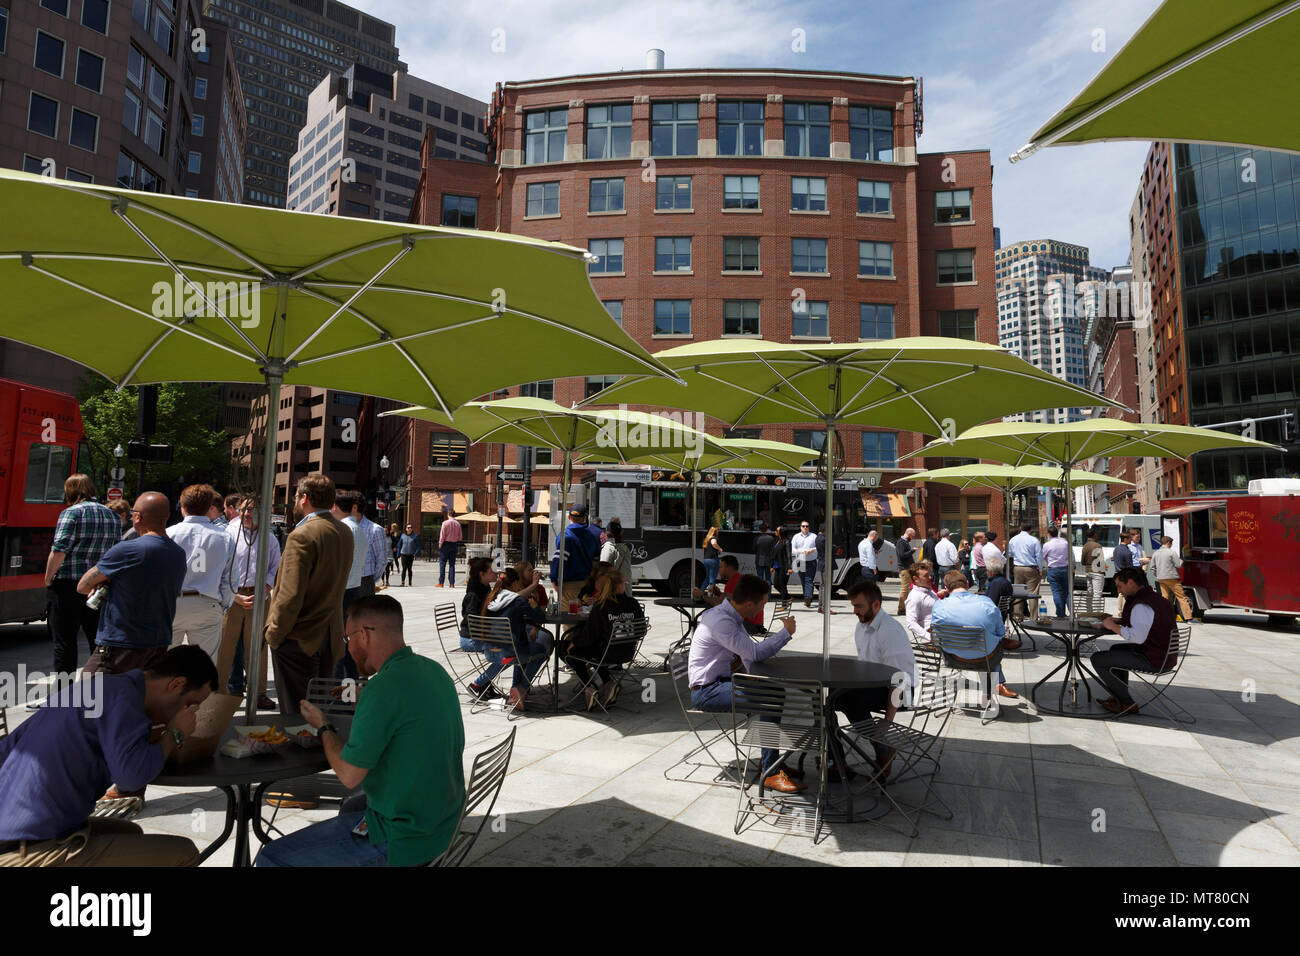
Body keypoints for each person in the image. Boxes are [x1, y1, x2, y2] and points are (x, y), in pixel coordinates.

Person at [258, 596, 465, 867]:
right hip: (444, 825)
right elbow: (405, 714)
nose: (349, 648)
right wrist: (365, 700)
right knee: (352, 807)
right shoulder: (433, 670)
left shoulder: (382, 689)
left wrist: (323, 726)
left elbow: (349, 775)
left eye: (348, 639)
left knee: (271, 857)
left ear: (364, 635)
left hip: (405, 840)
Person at [0, 645, 216, 867]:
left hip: (16, 830)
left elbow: (7, 747)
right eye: (191, 705)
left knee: (130, 833)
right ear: (176, 684)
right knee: (183, 852)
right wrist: (174, 734)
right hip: (28, 848)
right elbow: (131, 778)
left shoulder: (99, 687)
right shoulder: (126, 701)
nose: (190, 714)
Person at [686, 574, 802, 793]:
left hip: (720, 681)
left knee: (775, 691)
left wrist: (752, 675)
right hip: (706, 691)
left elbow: (746, 655)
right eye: (762, 605)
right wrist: (786, 633)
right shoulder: (722, 622)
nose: (761, 612)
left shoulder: (730, 617)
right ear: (749, 604)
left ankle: (771, 761)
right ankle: (770, 771)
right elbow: (755, 653)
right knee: (769, 698)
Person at [264, 474, 352, 719]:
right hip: (329, 636)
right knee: (317, 714)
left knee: (296, 717)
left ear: (304, 498)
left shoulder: (302, 535)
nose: (294, 501)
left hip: (299, 638)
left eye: (295, 496)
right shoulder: (343, 531)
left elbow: (289, 595)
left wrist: (274, 633)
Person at [79, 492, 188, 679]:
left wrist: (105, 582)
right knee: (136, 700)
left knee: (88, 697)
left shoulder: (128, 549)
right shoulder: (178, 553)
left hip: (121, 643)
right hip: (158, 642)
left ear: (138, 516)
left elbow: (83, 585)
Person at [834, 579, 917, 779]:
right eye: (853, 605)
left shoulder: (889, 631)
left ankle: (881, 749)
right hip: (875, 684)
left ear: (876, 605)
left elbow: (899, 680)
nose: (855, 611)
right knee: (829, 697)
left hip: (903, 691)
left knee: (847, 700)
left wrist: (886, 723)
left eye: (859, 606)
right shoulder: (861, 625)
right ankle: (835, 760)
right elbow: (865, 665)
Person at [44, 474, 121, 678]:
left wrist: (48, 576)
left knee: (64, 642)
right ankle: (100, 688)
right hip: (97, 587)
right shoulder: (111, 515)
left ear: (70, 491)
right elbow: (115, 552)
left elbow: (59, 549)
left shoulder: (71, 513)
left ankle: (63, 696)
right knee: (97, 641)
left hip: (67, 584)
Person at [217, 496, 278, 709]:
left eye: (252, 511)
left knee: (258, 647)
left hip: (259, 597)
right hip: (232, 597)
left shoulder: (270, 539)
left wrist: (264, 591)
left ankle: (258, 692)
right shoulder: (228, 535)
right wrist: (234, 595)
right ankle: (218, 690)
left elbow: (274, 569)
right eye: (244, 510)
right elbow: (221, 569)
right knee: (225, 645)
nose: (247, 515)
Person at [1094, 567, 1177, 717]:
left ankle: (1126, 702)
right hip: (1165, 655)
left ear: (1131, 583)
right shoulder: (1158, 600)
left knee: (1098, 659)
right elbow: (1146, 624)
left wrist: (1112, 626)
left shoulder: (1141, 604)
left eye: (1120, 586)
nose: (1119, 591)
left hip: (1154, 659)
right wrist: (1118, 621)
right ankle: (1119, 697)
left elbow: (1137, 637)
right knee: (1116, 650)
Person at [167, 484, 236, 661]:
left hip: (172, 602)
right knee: (204, 666)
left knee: (163, 664)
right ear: (209, 508)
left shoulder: (169, 534)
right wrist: (223, 605)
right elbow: (231, 579)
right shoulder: (224, 537)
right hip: (207, 602)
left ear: (182, 508)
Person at [562, 570, 644, 709]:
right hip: (627, 651)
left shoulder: (601, 606)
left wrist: (574, 642)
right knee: (587, 649)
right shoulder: (633, 603)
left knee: (565, 648)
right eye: (624, 582)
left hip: (605, 653)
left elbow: (589, 637)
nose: (625, 585)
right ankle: (607, 683)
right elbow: (641, 630)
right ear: (618, 586)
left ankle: (590, 688)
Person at [931, 570, 1018, 700]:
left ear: (946, 588)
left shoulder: (939, 606)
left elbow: (937, 635)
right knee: (995, 644)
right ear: (967, 584)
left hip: (953, 659)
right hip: (986, 659)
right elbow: (1000, 632)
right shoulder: (986, 603)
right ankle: (995, 685)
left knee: (988, 643)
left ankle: (995, 685)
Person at [484, 566, 550, 712]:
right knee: (541, 650)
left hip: (489, 651)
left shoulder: (492, 597)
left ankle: (517, 688)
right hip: (509, 652)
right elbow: (539, 618)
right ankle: (521, 688)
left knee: (523, 648)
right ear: (514, 584)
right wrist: (534, 606)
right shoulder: (516, 600)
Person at [460, 557, 508, 700]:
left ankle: (486, 684)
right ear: (482, 573)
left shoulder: (485, 587)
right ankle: (477, 685)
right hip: (470, 638)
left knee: (513, 650)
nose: (495, 572)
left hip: (481, 636)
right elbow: (471, 619)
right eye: (492, 570)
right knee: (508, 655)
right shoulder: (474, 594)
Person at [550, 507, 600, 605]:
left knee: (568, 617)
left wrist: (554, 579)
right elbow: (596, 559)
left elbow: (560, 560)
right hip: (588, 583)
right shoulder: (592, 536)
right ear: (584, 518)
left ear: (569, 517)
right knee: (585, 616)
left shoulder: (565, 536)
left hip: (569, 585)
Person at [1151, 536, 1192, 622]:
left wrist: (1158, 574)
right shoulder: (1171, 552)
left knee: (1165, 598)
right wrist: (1183, 560)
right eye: (1171, 543)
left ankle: (1164, 617)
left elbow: (1152, 568)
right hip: (1172, 578)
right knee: (1181, 598)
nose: (1171, 545)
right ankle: (1188, 618)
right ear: (1168, 543)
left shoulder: (1156, 553)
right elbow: (1178, 564)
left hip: (1161, 578)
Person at [1008, 521, 1043, 622]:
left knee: (1018, 592)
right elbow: (1039, 556)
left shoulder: (1013, 539)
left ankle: (1017, 616)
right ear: (1031, 530)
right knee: (1032, 593)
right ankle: (1033, 617)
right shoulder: (1034, 540)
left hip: (1017, 567)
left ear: (1020, 528)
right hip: (1030, 568)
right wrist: (1040, 569)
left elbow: (1009, 554)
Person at [984, 556, 1020, 648]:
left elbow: (991, 603)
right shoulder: (1004, 581)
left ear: (990, 571)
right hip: (1000, 616)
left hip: (992, 618)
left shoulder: (996, 583)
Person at [904, 563, 940, 642]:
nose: (930, 577)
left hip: (943, 629)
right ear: (916, 579)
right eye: (926, 576)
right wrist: (930, 637)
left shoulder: (928, 590)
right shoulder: (914, 597)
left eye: (929, 575)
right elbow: (910, 623)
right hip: (934, 634)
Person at [1042, 525, 1071, 617]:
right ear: (1057, 533)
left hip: (1053, 569)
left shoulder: (1047, 545)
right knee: (1067, 592)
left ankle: (1060, 613)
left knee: (1056, 592)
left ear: (1049, 534)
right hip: (1065, 568)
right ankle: (1071, 612)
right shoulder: (1065, 543)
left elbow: (1043, 557)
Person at [790, 520, 819, 608]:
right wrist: (801, 551)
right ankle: (806, 597)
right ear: (800, 527)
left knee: (809, 580)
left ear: (809, 527)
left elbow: (818, 547)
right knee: (803, 580)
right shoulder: (796, 537)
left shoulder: (814, 536)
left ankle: (808, 598)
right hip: (800, 561)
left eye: (807, 526)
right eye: (803, 526)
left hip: (811, 561)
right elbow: (792, 549)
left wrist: (812, 550)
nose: (805, 528)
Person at [1112, 528, 1137, 616]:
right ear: (1125, 539)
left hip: (1117, 573)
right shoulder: (1127, 551)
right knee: (1127, 594)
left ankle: (1120, 610)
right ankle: (1125, 611)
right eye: (1130, 538)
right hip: (1125, 574)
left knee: (1120, 594)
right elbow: (1129, 566)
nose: (1131, 540)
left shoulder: (1116, 549)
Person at [1081, 526, 1106, 612]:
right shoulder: (1097, 545)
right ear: (1094, 535)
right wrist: (1103, 571)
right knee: (1097, 594)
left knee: (1089, 593)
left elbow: (1082, 561)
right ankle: (1096, 613)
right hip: (1097, 572)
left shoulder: (1085, 546)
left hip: (1088, 571)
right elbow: (1101, 560)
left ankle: (1089, 611)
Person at [600, 517, 632, 582]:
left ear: (607, 533)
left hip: (613, 588)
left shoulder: (608, 548)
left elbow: (603, 570)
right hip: (624, 587)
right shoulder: (625, 548)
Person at [436, 510, 463, 588]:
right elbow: (460, 537)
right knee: (452, 565)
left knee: (442, 563)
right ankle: (452, 583)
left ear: (448, 514)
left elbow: (442, 535)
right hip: (454, 544)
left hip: (445, 544)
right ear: (454, 515)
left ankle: (441, 583)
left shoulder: (445, 523)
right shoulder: (458, 524)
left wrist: (440, 544)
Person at [895, 528, 918, 615]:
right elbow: (902, 555)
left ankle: (905, 608)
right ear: (908, 534)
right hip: (904, 569)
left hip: (907, 568)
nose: (912, 538)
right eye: (912, 536)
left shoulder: (904, 542)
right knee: (905, 589)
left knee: (908, 589)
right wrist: (912, 551)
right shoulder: (901, 542)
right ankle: (901, 609)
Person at [772, 526, 792, 602]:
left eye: (776, 531)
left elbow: (788, 555)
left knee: (782, 585)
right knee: (776, 585)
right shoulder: (778, 541)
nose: (775, 532)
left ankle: (784, 603)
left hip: (784, 566)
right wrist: (772, 566)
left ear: (781, 532)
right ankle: (788, 597)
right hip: (777, 566)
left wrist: (789, 567)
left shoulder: (786, 541)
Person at [700, 525, 723, 590]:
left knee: (707, 577)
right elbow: (714, 544)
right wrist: (719, 549)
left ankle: (701, 591)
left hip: (706, 559)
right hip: (713, 560)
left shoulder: (706, 539)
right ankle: (710, 593)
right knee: (712, 578)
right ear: (715, 532)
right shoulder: (713, 538)